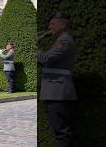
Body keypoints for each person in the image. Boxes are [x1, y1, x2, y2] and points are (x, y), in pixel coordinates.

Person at [38, 11, 77, 147]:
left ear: (63, 25)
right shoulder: (60, 40)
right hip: (56, 91)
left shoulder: (64, 40)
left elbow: (47, 58)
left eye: (53, 24)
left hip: (58, 92)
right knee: (59, 131)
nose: (50, 27)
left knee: (61, 133)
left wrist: (33, 48)